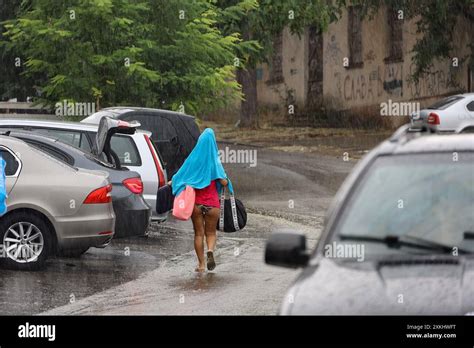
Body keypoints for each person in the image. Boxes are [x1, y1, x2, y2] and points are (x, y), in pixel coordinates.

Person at [170, 128, 232, 273]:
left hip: (196, 204)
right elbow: (224, 182)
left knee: (198, 233)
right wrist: (223, 177)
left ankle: (201, 265)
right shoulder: (214, 161)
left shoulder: (193, 159)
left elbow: (179, 177)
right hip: (212, 204)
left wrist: (172, 183)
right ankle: (210, 250)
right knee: (210, 233)